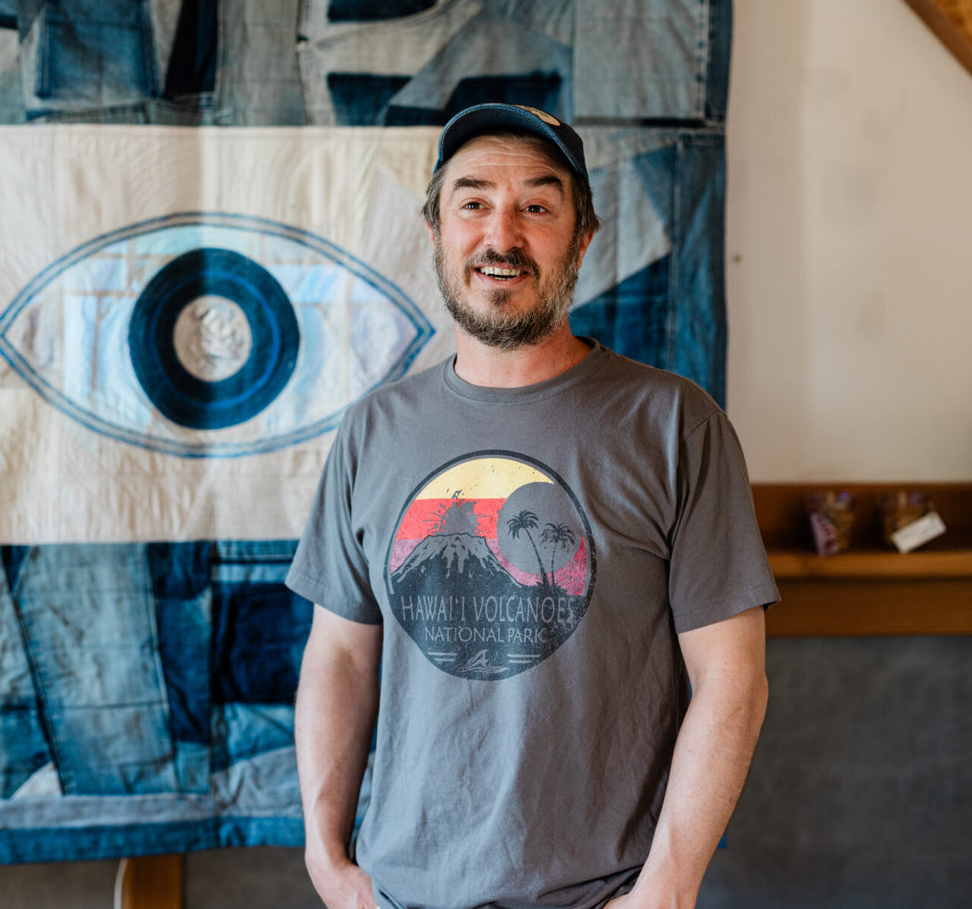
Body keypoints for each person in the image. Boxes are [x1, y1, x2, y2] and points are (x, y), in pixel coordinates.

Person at [286, 103, 779, 909]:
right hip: (397, 894)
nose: (500, 236)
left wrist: (666, 889)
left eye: (536, 207)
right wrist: (326, 861)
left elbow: (732, 676)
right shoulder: (372, 431)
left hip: (599, 895)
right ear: (437, 229)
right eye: (472, 202)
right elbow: (338, 656)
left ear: (582, 237)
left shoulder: (673, 424)